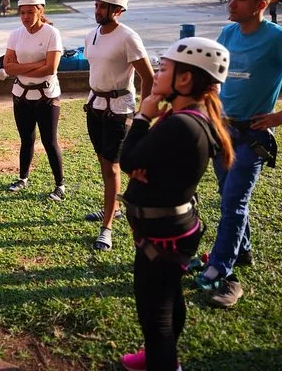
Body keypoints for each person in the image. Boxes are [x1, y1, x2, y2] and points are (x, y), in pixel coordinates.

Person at [118, 37, 233, 371]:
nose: (156, 73)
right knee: (168, 299)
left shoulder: (182, 124)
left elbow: (128, 159)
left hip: (163, 236)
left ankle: (163, 362)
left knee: (156, 316)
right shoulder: (188, 117)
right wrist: (143, 162)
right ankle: (159, 357)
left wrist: (143, 117)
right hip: (170, 229)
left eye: (164, 68)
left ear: (185, 79)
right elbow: (143, 161)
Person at [194, 0, 282, 308]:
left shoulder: (277, 38)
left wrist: (279, 117)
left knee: (234, 201)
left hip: (253, 134)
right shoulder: (228, 33)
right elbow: (215, 76)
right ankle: (241, 249)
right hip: (223, 129)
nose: (231, 3)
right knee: (227, 195)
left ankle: (222, 269)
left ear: (260, 5)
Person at [83, 0, 154, 251]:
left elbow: (148, 78)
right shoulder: (92, 34)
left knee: (112, 166)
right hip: (95, 105)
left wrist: (142, 115)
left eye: (103, 6)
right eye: (97, 5)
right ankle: (112, 207)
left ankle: (107, 227)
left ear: (118, 10)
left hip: (119, 109)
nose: (98, 10)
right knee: (104, 161)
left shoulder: (128, 37)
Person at [3, 0, 65, 201]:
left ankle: (60, 184)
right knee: (26, 139)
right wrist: (38, 64)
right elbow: (8, 67)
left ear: (41, 10)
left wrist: (20, 67)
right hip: (21, 95)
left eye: (30, 12)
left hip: (46, 95)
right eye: (22, 12)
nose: (25, 17)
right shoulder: (15, 35)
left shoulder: (51, 33)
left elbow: (51, 68)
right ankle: (23, 178)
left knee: (50, 141)